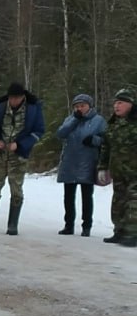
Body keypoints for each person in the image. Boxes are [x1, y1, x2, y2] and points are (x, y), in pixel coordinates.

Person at [0, 82, 45, 235]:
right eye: (11, 98)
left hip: (19, 155)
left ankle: (12, 225)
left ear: (23, 97)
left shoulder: (33, 109)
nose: (14, 101)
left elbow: (38, 131)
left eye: (17, 98)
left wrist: (21, 145)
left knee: (16, 189)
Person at [55, 93, 106, 236]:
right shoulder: (70, 119)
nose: (79, 108)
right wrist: (74, 120)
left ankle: (86, 226)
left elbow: (106, 140)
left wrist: (94, 140)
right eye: (77, 106)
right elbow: (60, 134)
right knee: (68, 196)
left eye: (82, 106)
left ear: (90, 106)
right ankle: (68, 225)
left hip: (88, 161)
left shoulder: (98, 120)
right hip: (70, 162)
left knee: (87, 196)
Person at [96, 87, 137, 247]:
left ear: (130, 104)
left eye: (120, 103)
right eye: (115, 103)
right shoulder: (113, 124)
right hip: (118, 171)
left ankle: (132, 234)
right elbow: (105, 147)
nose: (116, 106)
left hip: (134, 172)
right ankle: (119, 231)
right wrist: (102, 167)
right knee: (118, 201)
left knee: (133, 202)